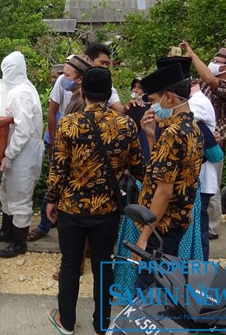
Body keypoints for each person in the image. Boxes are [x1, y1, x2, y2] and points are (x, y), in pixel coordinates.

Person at [45, 67, 144, 334]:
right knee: (103, 266)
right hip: (108, 210)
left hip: (71, 208)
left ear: (84, 92)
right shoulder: (126, 125)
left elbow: (59, 168)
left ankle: (66, 322)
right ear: (109, 92)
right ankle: (102, 325)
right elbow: (138, 168)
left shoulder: (69, 124)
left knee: (69, 262)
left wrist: (51, 200)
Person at [134, 63, 204, 289]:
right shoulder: (191, 126)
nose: (153, 106)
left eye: (154, 99)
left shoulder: (173, 134)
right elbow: (169, 170)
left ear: (170, 97)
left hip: (160, 226)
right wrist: (152, 137)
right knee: (163, 283)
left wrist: (145, 236)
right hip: (176, 221)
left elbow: (164, 191)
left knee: (150, 289)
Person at [0, 51, 44, 258]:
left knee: (20, 195)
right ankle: (6, 231)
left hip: (24, 152)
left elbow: (24, 128)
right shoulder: (20, 89)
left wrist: (9, 153)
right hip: (18, 150)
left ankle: (19, 243)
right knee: (7, 191)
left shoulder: (20, 92)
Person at [179, 41, 226, 240]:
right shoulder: (202, 82)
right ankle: (198, 221)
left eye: (216, 61)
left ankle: (212, 227)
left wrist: (192, 54)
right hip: (195, 139)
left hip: (215, 142)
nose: (212, 63)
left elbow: (211, 81)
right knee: (200, 183)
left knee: (211, 186)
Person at [29, 55, 91, 243]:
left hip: (71, 156)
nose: (61, 78)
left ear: (79, 79)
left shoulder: (80, 102)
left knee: (55, 188)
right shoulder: (74, 96)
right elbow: (53, 111)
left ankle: (55, 227)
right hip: (63, 149)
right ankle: (48, 223)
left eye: (66, 74)